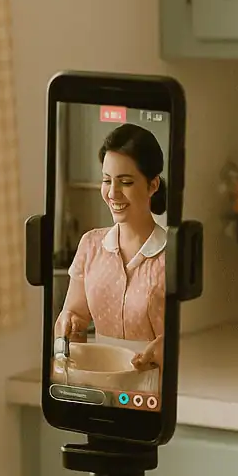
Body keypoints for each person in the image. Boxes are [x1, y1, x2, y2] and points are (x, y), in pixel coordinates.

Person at [55, 122, 168, 386]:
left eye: (126, 182)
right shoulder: (91, 245)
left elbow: (184, 339)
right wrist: (67, 327)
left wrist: (164, 348)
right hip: (98, 380)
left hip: (155, 386)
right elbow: (75, 316)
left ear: (153, 185)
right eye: (107, 180)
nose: (113, 193)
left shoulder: (171, 255)